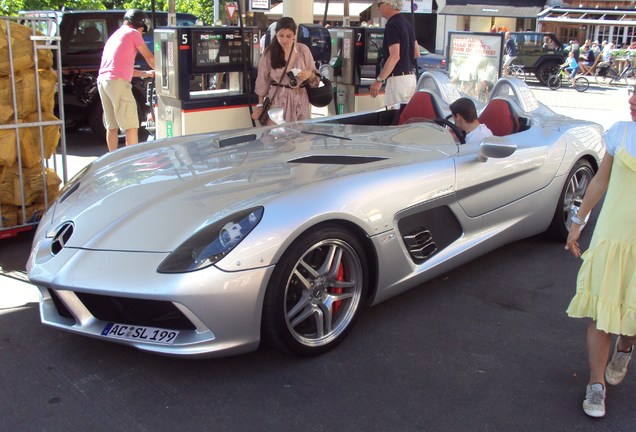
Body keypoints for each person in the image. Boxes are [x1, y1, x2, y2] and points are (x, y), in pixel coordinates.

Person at [565, 86, 636, 418]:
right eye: (634, 91)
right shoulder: (620, 133)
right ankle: (596, 384)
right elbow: (599, 182)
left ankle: (625, 346)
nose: (632, 100)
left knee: (632, 315)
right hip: (611, 239)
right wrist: (578, 220)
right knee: (601, 316)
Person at [97, 9, 155, 152]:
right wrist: (165, 71)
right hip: (117, 83)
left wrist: (146, 73)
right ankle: (131, 161)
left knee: (112, 126)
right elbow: (149, 57)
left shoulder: (115, 36)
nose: (141, 33)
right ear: (137, 24)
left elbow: (119, 68)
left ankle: (112, 159)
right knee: (131, 125)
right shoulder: (133, 33)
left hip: (103, 82)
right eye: (142, 30)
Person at [252, 17, 319, 125]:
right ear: (276, 34)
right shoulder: (269, 53)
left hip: (300, 99)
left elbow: (314, 78)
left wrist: (309, 74)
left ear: (294, 35)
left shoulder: (303, 50)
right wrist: (260, 105)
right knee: (276, 135)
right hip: (278, 98)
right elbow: (262, 79)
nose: (284, 40)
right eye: (281, 35)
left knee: (299, 137)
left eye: (289, 36)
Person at [370, 0, 419, 106]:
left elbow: (395, 56)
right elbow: (416, 53)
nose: (378, 8)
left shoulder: (392, 25)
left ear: (388, 5)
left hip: (397, 80)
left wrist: (379, 81)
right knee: (405, 118)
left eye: (379, 5)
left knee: (393, 117)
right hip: (410, 79)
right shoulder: (407, 24)